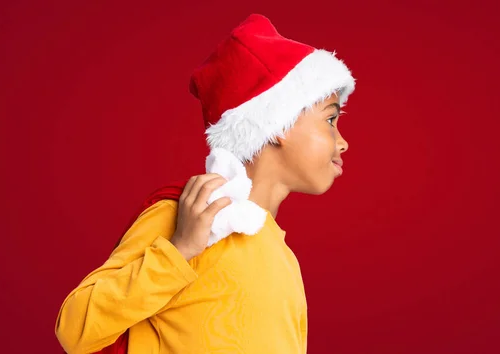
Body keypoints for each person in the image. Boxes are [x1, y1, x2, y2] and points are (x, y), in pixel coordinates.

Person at [55, 13, 355, 354]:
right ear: (279, 125)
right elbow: (75, 329)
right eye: (330, 119)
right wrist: (179, 250)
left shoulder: (282, 256)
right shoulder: (191, 218)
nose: (342, 141)